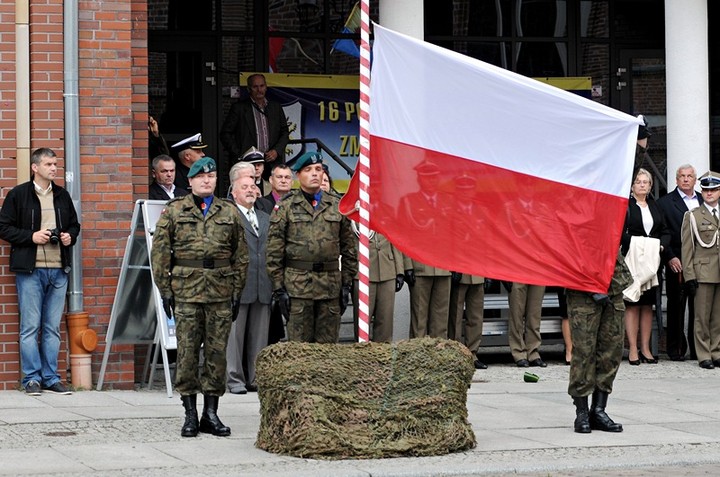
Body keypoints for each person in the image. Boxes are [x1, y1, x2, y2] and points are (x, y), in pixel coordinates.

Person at [151, 156, 248, 437]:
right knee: (188, 353)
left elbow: (240, 256)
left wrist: (236, 290)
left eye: (211, 176)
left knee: (217, 354)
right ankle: (190, 413)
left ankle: (211, 413)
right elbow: (160, 253)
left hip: (220, 291)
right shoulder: (174, 210)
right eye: (200, 176)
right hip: (187, 291)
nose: (207, 180)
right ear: (190, 181)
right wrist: (165, 289)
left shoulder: (228, 212)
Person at [0, 147, 81, 396]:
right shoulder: (18, 195)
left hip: (58, 269)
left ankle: (51, 378)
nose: (54, 168)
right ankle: (31, 379)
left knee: (52, 328)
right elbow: (4, 228)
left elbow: (74, 225)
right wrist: (31, 236)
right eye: (48, 165)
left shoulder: (62, 195)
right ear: (35, 167)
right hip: (30, 270)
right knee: (30, 327)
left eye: (55, 164)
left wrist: (69, 237)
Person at [266, 151, 357, 343]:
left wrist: (346, 284)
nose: (315, 173)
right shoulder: (286, 206)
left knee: (327, 351)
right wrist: (279, 289)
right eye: (308, 170)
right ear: (298, 175)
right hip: (298, 288)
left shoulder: (336, 205)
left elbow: (348, 248)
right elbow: (274, 252)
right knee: (299, 350)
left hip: (330, 287)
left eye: (318, 169)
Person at [567, 249, 632, 434]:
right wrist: (589, 286)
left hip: (613, 284)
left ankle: (599, 410)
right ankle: (581, 412)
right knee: (584, 352)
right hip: (582, 288)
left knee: (611, 351)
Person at [226, 173, 272, 394]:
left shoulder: (265, 217)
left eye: (253, 186)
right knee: (234, 336)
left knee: (259, 335)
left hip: (262, 282)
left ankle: (256, 377)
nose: (250, 190)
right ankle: (234, 378)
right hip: (238, 285)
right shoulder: (229, 215)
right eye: (244, 187)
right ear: (234, 193)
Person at [621, 168, 670, 365]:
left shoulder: (655, 206)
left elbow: (665, 231)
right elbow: (620, 232)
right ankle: (632, 348)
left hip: (652, 262)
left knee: (647, 305)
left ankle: (646, 348)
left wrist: (659, 245)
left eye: (646, 182)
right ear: (632, 186)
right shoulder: (627, 206)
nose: (642, 185)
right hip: (633, 260)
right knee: (632, 304)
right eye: (638, 182)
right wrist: (639, 243)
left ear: (650, 186)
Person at [657, 164, 702, 361]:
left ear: (695, 179)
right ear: (676, 180)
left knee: (699, 307)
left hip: (702, 262)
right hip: (678, 260)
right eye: (682, 176)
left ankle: (697, 348)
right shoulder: (665, 203)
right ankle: (675, 349)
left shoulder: (704, 200)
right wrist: (670, 257)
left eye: (689, 176)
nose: (685, 179)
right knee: (677, 306)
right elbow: (661, 233)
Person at [681, 171, 720, 369]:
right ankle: (704, 354)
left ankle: (717, 351)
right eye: (706, 190)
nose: (709, 193)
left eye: (713, 190)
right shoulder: (693, 216)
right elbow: (687, 249)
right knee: (702, 317)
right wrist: (689, 276)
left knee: (718, 317)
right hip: (703, 273)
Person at [220, 73, 290, 181]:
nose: (259, 90)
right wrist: (240, 154)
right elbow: (225, 134)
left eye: (262, 86)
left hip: (271, 162)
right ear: (249, 89)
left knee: (272, 195)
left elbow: (285, 132)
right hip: (247, 162)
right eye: (255, 87)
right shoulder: (239, 108)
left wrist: (276, 151)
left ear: (266, 87)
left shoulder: (275, 107)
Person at [351, 224, 404, 343]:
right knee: (362, 325)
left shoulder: (387, 209)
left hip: (387, 270)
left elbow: (395, 237)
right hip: (362, 270)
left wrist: (399, 270)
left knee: (385, 323)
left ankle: (383, 358)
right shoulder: (354, 207)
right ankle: (363, 359)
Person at [449, 272, 488, 369]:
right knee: (456, 316)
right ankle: (455, 354)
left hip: (478, 272)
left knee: (476, 316)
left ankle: (472, 354)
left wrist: (487, 273)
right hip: (460, 272)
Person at [508, 283, 547, 367]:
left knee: (534, 314)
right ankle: (518, 352)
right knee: (516, 315)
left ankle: (533, 352)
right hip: (517, 272)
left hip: (538, 273)